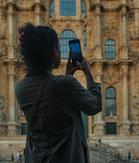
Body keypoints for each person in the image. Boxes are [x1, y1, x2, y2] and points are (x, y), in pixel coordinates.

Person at [15, 23, 102, 163]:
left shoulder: (20, 88)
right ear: (54, 51)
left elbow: (52, 105)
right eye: (60, 47)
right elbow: (94, 105)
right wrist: (87, 72)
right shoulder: (66, 84)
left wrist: (68, 77)